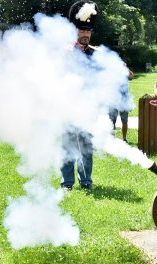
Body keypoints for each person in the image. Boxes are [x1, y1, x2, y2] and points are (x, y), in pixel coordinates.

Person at [60, 0, 99, 191]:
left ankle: (86, 181)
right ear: (76, 32)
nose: (85, 34)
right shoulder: (65, 52)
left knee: (86, 147)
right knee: (67, 146)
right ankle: (67, 183)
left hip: (88, 107)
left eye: (88, 31)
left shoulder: (95, 54)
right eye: (82, 31)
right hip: (67, 106)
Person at [109, 65, 134, 143]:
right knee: (112, 121)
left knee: (124, 121)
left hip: (124, 101)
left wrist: (126, 68)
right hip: (113, 100)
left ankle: (124, 138)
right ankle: (112, 138)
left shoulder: (125, 74)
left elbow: (131, 76)